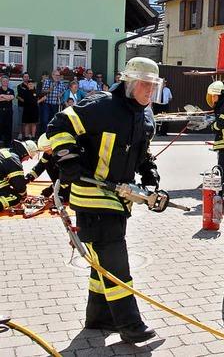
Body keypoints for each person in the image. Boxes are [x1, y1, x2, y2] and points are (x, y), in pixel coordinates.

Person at [47, 57, 163, 343]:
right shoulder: (102, 107)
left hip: (117, 199)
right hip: (91, 197)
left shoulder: (144, 117)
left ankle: (98, 317)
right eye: (145, 85)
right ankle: (130, 325)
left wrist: (150, 178)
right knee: (115, 261)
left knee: (103, 260)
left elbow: (142, 155)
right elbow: (58, 125)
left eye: (154, 86)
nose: (150, 92)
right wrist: (68, 158)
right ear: (130, 83)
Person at [24, 134, 69, 202]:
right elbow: (40, 166)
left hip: (70, 184)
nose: (46, 153)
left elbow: (68, 177)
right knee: (47, 164)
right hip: (59, 182)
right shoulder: (48, 154)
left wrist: (52, 188)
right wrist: (29, 177)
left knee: (63, 198)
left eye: (47, 150)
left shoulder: (66, 156)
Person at [0, 140, 38, 211]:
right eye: (29, 157)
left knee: (8, 189)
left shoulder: (7, 152)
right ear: (25, 153)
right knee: (15, 198)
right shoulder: (14, 160)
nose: (27, 160)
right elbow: (19, 185)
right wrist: (24, 196)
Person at [0, 75, 15, 147]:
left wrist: (2, 96)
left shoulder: (11, 90)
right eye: (3, 81)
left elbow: (11, 97)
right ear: (1, 82)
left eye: (6, 81)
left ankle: (8, 143)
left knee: (8, 127)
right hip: (0, 111)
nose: (5, 82)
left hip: (9, 111)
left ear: (8, 82)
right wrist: (7, 97)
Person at [16, 73, 30, 139]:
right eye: (25, 77)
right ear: (22, 78)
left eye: (27, 77)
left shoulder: (31, 86)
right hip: (21, 106)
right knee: (21, 121)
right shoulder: (19, 86)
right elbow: (18, 96)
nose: (26, 78)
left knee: (29, 120)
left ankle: (28, 134)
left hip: (30, 106)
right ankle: (20, 133)